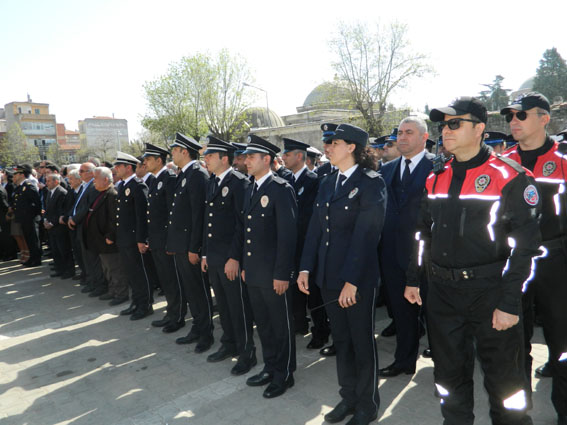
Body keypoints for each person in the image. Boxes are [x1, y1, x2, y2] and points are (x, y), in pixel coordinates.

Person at [405, 97, 540, 425]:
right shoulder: (435, 178)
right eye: (443, 125)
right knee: (448, 379)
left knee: (506, 383)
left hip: (491, 293)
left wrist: (509, 303)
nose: (446, 131)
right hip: (442, 294)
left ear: (479, 128)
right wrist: (413, 277)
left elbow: (525, 247)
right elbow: (423, 232)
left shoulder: (509, 177)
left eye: (455, 123)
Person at [298, 123, 386, 425]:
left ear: (352, 147)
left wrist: (352, 281)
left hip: (355, 280)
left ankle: (367, 404)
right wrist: (306, 267)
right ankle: (348, 396)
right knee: (343, 342)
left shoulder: (371, 183)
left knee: (362, 343)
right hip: (327, 278)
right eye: (326, 142)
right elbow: (315, 230)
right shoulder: (328, 182)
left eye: (333, 142)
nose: (327, 147)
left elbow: (367, 236)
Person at [500, 92, 567, 425]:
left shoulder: (564, 158)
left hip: (556, 262)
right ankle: (517, 415)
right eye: (510, 116)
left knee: (562, 341)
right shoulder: (502, 162)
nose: (514, 121)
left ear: (544, 118)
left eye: (521, 115)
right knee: (512, 343)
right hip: (513, 262)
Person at [239, 134, 297, 399]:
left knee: (280, 325)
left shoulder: (280, 188)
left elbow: (287, 236)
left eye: (251, 157)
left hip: (274, 274)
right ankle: (270, 366)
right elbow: (246, 231)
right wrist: (245, 265)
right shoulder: (251, 187)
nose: (246, 161)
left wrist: (282, 273)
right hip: (254, 272)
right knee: (263, 324)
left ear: (266, 159)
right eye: (246, 157)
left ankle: (284, 373)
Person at [378, 116, 434, 378]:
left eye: (408, 132)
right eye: (399, 132)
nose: (402, 137)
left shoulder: (439, 168)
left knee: (435, 314)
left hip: (429, 254)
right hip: (392, 255)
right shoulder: (387, 170)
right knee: (402, 314)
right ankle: (404, 360)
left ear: (424, 137)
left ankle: (444, 369)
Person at [201, 136, 256, 374]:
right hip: (214, 257)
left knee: (238, 306)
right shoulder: (213, 181)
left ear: (225, 158)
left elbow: (242, 225)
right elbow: (208, 222)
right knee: (223, 305)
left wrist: (234, 257)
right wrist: (205, 253)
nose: (206, 159)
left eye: (210, 155)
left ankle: (247, 352)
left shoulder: (239, 183)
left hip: (230, 259)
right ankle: (229, 343)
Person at [167, 133, 214, 353]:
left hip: (190, 247)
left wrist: (195, 248)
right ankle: (197, 327)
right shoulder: (184, 174)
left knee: (199, 290)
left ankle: (206, 333)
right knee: (191, 290)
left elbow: (199, 215)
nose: (172, 154)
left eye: (174, 150)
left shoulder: (197, 175)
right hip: (181, 245)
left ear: (184, 151)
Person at [281, 137, 330, 348]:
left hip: (307, 246)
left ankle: (320, 332)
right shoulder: (285, 180)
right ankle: (299, 323)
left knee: (314, 294)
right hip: (291, 246)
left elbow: (310, 218)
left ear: (299, 156)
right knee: (295, 290)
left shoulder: (313, 181)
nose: (283, 158)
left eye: (288, 154)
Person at [143, 143, 186, 333]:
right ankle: (171, 311)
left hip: (166, 241)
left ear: (159, 160)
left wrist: (170, 241)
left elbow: (171, 213)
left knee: (172, 280)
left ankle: (177, 316)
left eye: (148, 159)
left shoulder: (168, 178)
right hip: (157, 240)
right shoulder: (154, 180)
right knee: (165, 279)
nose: (145, 163)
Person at [113, 152, 153, 320]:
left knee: (140, 273)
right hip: (124, 239)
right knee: (131, 273)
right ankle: (136, 302)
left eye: (118, 166)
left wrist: (141, 239)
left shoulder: (138, 186)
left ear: (128, 167)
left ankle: (145, 305)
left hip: (134, 239)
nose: (115, 169)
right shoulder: (122, 186)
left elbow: (142, 216)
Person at [84, 167, 129, 305]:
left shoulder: (112, 194)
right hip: (100, 240)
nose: (94, 182)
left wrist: (111, 235)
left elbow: (115, 219)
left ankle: (121, 294)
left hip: (109, 240)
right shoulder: (101, 193)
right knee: (107, 268)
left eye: (96, 178)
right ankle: (112, 290)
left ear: (105, 180)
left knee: (115, 268)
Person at [68, 162, 107, 295]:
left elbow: (87, 207)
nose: (80, 173)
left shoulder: (93, 186)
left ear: (91, 172)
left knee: (94, 259)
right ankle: (92, 282)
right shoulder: (85, 186)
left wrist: (75, 219)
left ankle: (99, 285)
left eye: (83, 171)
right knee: (87, 259)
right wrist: (71, 216)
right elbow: (78, 205)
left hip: (88, 228)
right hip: (81, 228)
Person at [43, 173, 74, 279]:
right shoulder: (49, 192)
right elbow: (48, 209)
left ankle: (68, 270)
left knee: (63, 249)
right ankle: (60, 269)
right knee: (55, 250)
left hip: (59, 227)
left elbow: (61, 211)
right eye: (46, 181)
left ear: (56, 181)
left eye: (48, 181)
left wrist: (52, 223)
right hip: (51, 227)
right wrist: (46, 220)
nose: (46, 183)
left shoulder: (61, 192)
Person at [11, 164, 42, 267]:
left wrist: (32, 216)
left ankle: (36, 259)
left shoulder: (28, 186)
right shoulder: (21, 187)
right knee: (29, 239)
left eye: (16, 174)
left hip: (30, 218)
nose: (14, 176)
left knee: (33, 240)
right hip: (24, 219)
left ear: (22, 174)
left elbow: (36, 203)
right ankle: (32, 258)